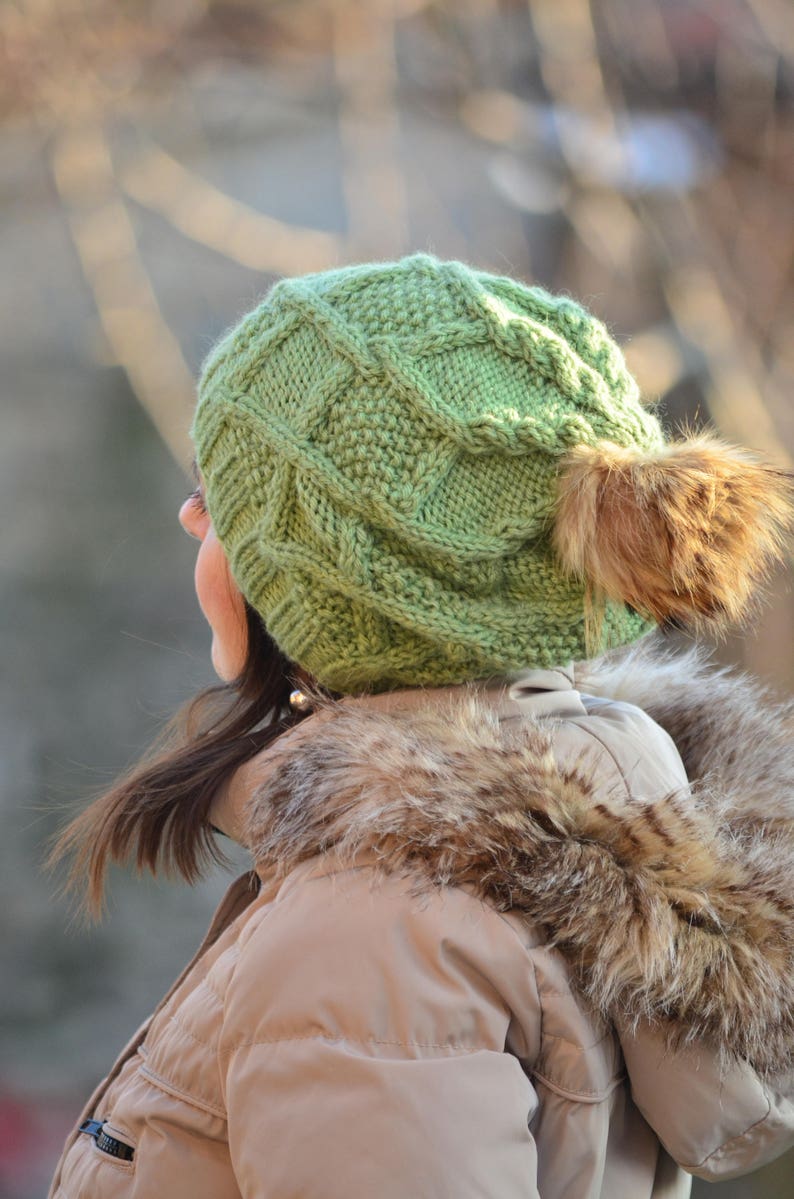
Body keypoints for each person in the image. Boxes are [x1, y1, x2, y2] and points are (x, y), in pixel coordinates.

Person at [49, 254, 794, 1198]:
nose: (191, 517)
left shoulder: (368, 941)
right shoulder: (600, 814)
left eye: (220, 501)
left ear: (332, 585)